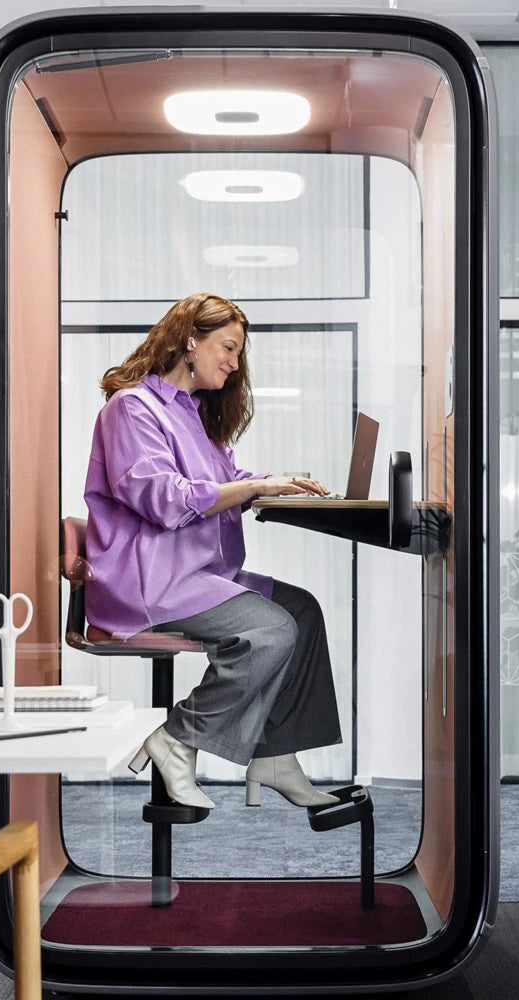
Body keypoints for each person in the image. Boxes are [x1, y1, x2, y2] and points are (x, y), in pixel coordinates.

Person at [83, 292, 343, 811]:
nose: (233, 362)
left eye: (238, 353)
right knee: (271, 629)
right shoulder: (131, 408)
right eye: (227, 347)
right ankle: (177, 739)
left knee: (302, 611)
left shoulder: (197, 416)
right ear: (189, 340)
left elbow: (223, 480)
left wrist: (273, 484)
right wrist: (252, 489)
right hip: (150, 579)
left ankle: (274, 755)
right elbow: (161, 496)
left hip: (198, 573)